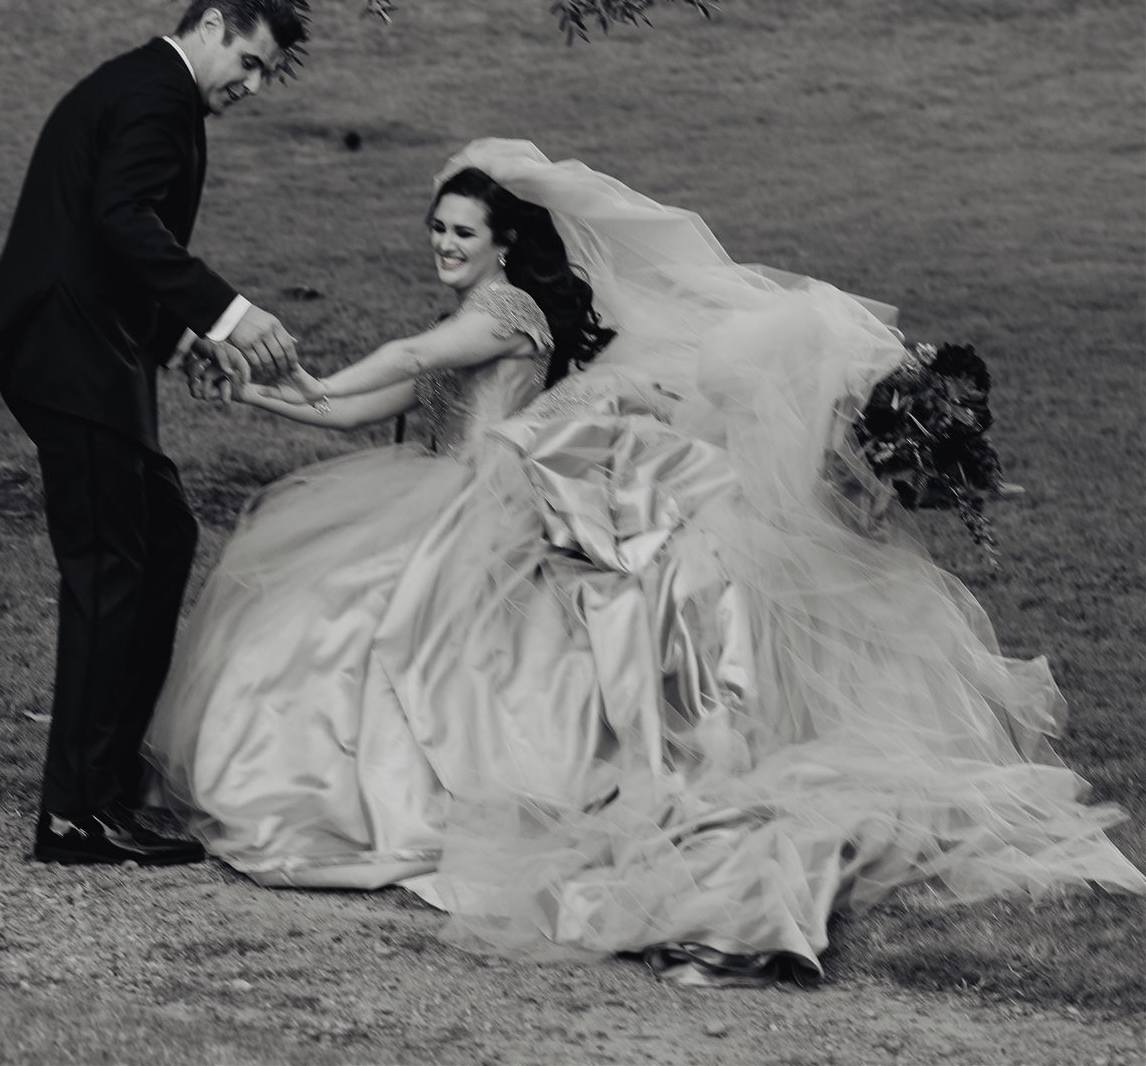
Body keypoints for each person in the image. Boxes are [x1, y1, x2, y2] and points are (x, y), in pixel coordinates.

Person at [149, 139, 1144, 983]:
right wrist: (247, 396)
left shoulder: (498, 314)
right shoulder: (501, 312)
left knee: (367, 635)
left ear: (504, 243)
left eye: (462, 231)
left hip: (482, 500)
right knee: (374, 629)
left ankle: (364, 797)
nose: (443, 245)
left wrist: (255, 375)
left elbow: (390, 374)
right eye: (436, 229)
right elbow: (351, 409)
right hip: (467, 491)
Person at [0, 0, 312, 867]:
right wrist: (231, 316)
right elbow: (120, 220)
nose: (252, 86)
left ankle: (112, 784)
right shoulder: (155, 92)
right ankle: (76, 813)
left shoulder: (151, 90)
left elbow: (108, 239)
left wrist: (181, 339)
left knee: (165, 534)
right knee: (110, 569)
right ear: (212, 25)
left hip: (92, 349)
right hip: (69, 357)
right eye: (249, 61)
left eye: (266, 74)